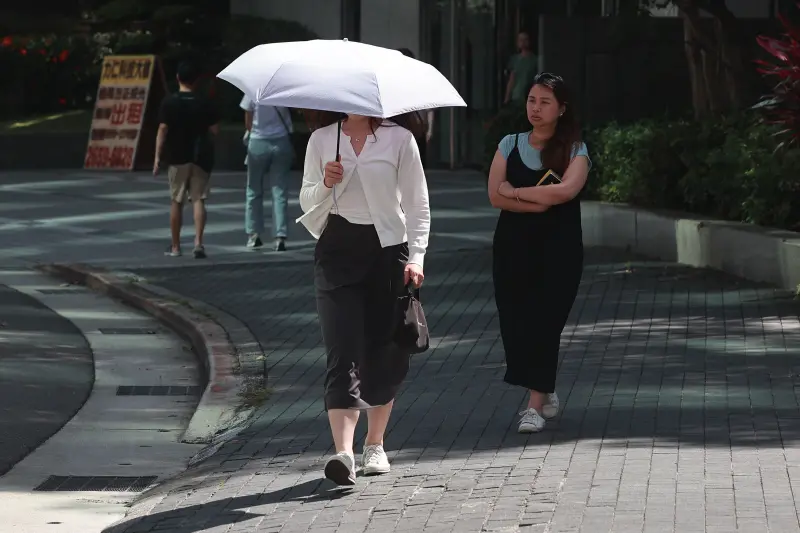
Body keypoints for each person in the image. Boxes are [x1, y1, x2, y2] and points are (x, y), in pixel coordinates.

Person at [298, 110, 430, 486]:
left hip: (389, 251)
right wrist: (325, 182)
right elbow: (307, 200)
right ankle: (343, 453)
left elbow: (418, 203)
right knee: (342, 348)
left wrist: (417, 255)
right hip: (338, 249)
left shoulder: (399, 139)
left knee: (385, 348)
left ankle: (375, 443)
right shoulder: (322, 139)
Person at [487, 73, 591, 433]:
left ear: (562, 109)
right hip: (512, 248)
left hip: (559, 250)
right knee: (515, 322)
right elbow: (493, 194)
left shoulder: (575, 149)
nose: (536, 107)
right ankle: (544, 390)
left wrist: (516, 193)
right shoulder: (509, 144)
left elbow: (566, 192)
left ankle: (533, 406)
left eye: (545, 102)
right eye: (532, 100)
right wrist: (534, 200)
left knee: (546, 323)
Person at [154, 61, 220, 259]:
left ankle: (175, 246)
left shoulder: (169, 102)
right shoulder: (205, 102)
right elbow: (215, 130)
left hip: (177, 157)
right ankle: (198, 243)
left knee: (177, 200)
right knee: (198, 199)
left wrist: (157, 157)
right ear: (197, 80)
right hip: (201, 158)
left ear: (177, 78)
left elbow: (162, 130)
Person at [241, 97, 294, 251]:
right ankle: (280, 236)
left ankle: (254, 234)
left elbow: (247, 121)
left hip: (258, 140)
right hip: (281, 140)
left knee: (253, 189)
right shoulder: (282, 88)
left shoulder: (252, 89)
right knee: (279, 191)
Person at [396, 48, 434, 166]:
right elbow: (430, 110)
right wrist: (429, 131)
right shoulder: (394, 80)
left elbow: (429, 108)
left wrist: (429, 131)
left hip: (412, 128)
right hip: (408, 128)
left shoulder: (420, 80)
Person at [504, 31, 539, 105]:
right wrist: (507, 97)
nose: (523, 42)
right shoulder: (514, 59)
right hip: (516, 96)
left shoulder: (535, 60)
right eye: (521, 40)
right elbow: (512, 79)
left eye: (525, 39)